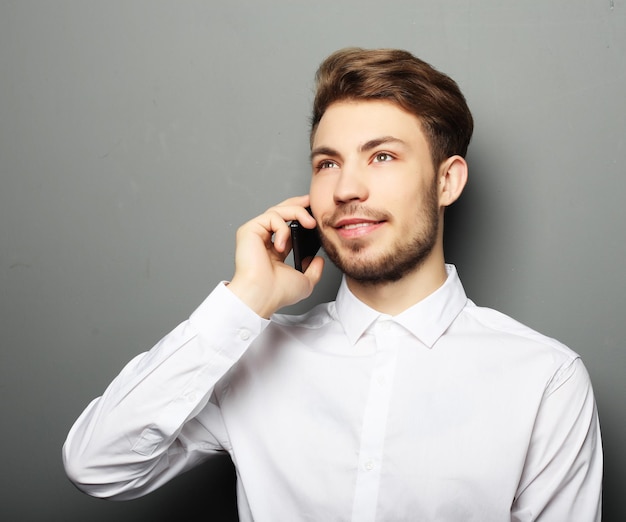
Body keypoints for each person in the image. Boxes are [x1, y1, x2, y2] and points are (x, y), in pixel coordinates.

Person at [63, 48, 602, 521]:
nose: (346, 188)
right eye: (327, 163)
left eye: (383, 156)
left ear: (446, 180)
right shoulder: (251, 353)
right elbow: (97, 466)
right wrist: (245, 301)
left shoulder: (544, 379)